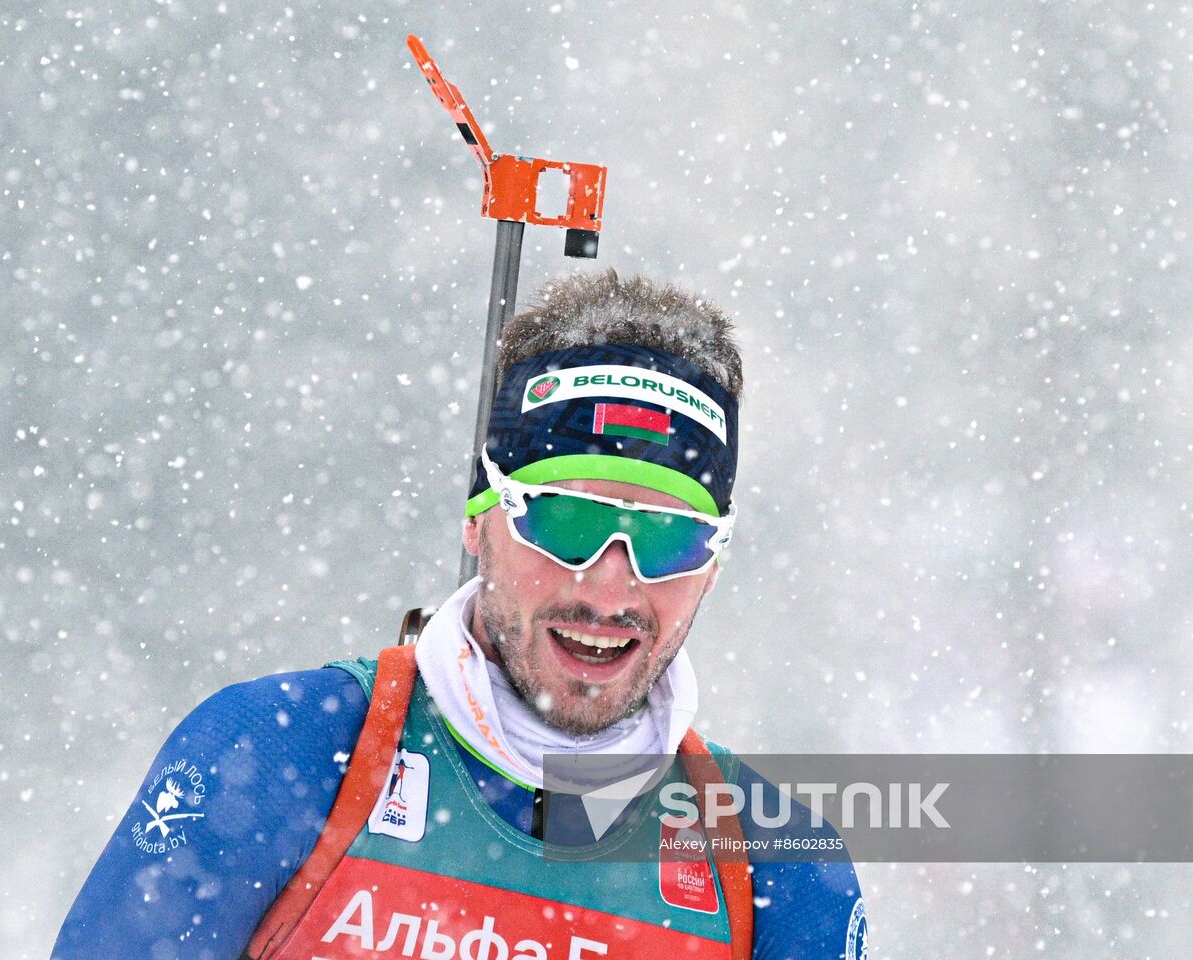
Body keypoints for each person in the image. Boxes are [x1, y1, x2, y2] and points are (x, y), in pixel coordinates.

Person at [52, 270, 866, 960]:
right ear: (480, 521)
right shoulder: (280, 752)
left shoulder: (774, 863)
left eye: (667, 539)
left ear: (713, 565)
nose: (609, 591)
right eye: (566, 522)